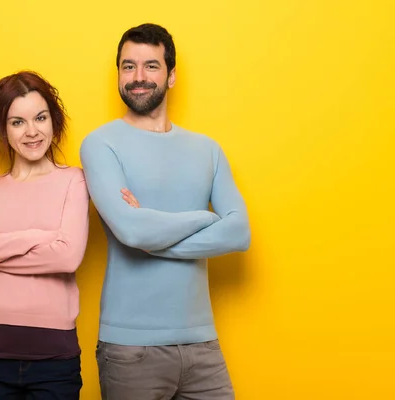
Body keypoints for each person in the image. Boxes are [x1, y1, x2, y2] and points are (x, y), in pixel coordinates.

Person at [79, 23, 251, 400]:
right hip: (130, 349)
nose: (138, 77)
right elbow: (133, 231)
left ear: (171, 76)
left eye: (151, 66)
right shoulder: (100, 144)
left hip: (203, 345)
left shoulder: (208, 150)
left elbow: (239, 233)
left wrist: (154, 238)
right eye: (128, 66)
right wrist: (206, 219)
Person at [0, 71, 89, 400]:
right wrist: (36, 237)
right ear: (3, 128)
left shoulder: (74, 182)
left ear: (54, 121)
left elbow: (67, 257)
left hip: (55, 362)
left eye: (40, 118)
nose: (32, 132)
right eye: (17, 122)